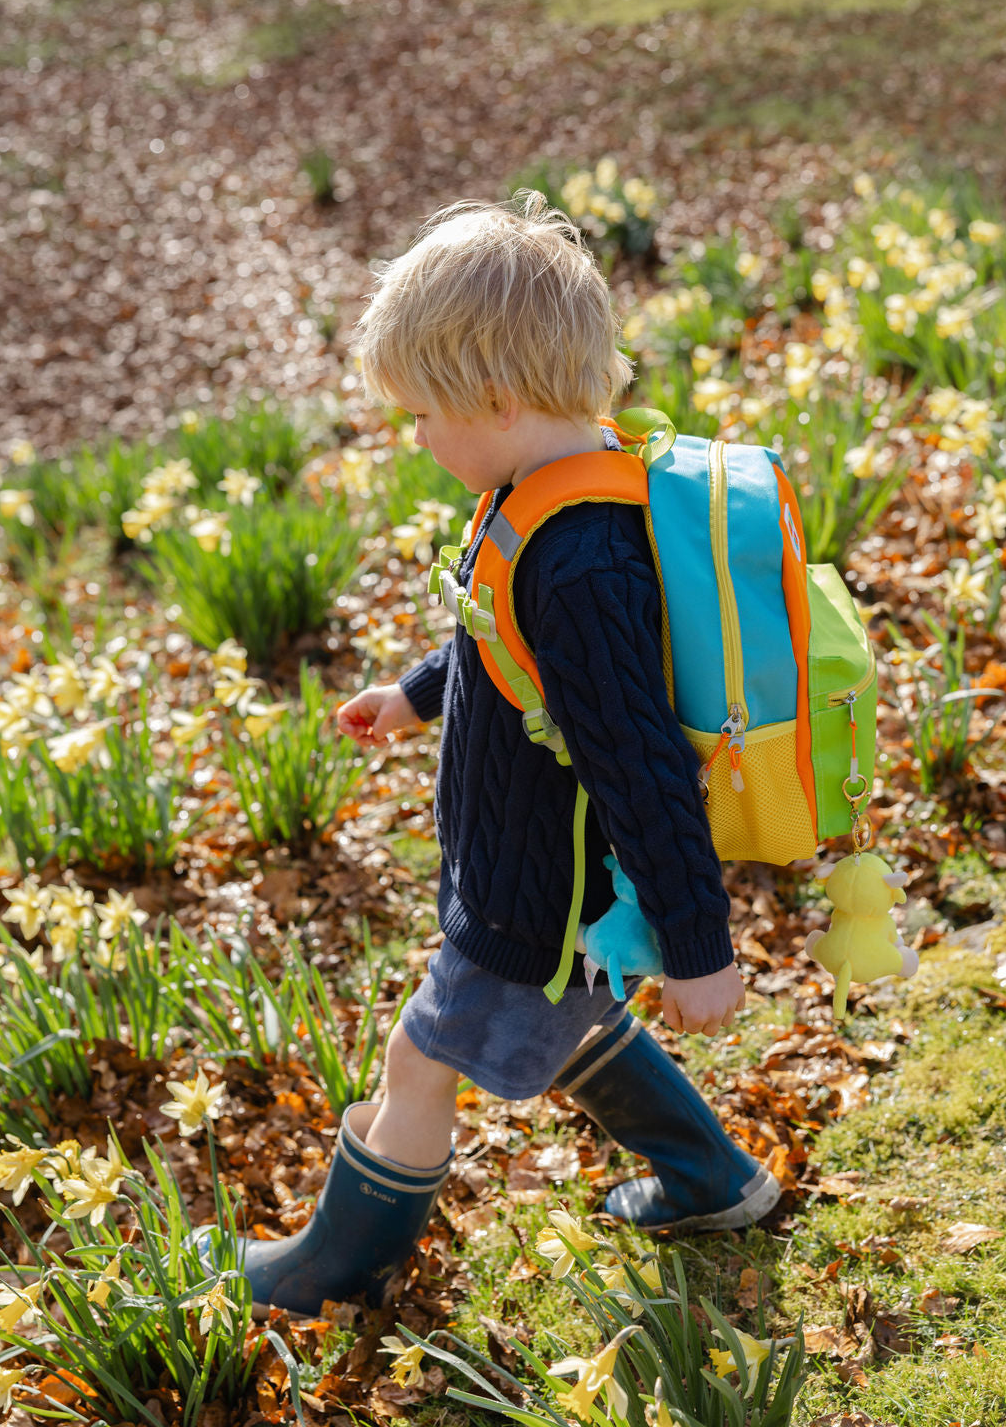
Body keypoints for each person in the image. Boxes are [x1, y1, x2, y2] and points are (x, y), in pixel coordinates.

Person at [197, 194, 780, 1317]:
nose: (417, 438)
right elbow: (496, 635)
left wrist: (699, 944)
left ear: (498, 401)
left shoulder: (582, 564)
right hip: (530, 870)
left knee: (421, 1062)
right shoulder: (547, 489)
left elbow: (640, 763)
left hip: (538, 892)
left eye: (423, 415)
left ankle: (337, 1269)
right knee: (569, 1026)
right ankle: (714, 1177)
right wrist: (415, 695)